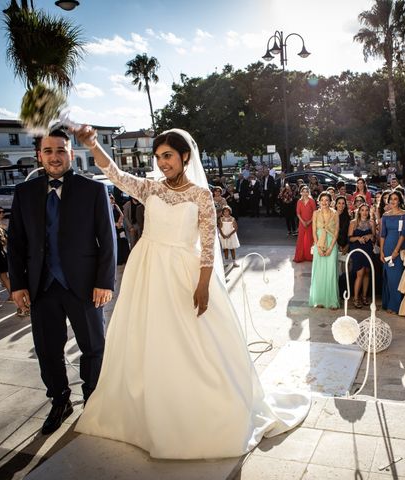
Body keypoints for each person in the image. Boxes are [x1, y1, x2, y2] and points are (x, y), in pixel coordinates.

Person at [74, 125, 309, 459]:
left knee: (192, 339)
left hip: (183, 273)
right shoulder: (150, 189)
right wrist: (93, 143)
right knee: (149, 337)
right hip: (148, 272)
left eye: (168, 155)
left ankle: (200, 405)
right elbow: (114, 173)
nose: (163, 162)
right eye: (158, 157)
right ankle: (149, 406)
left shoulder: (201, 195)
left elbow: (209, 246)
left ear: (185, 156)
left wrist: (203, 284)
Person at [7, 128, 116, 435]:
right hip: (42, 287)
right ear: (39, 155)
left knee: (93, 347)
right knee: (47, 349)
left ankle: (93, 399)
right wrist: (17, 285)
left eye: (61, 150)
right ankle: (60, 400)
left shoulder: (91, 190)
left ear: (71, 153)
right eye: (48, 151)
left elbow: (107, 240)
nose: (55, 156)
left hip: (84, 286)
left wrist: (104, 282)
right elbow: (15, 243)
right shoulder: (24, 193)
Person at [379, 191, 405, 314]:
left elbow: (403, 234)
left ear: (400, 201)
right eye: (391, 199)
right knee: (388, 277)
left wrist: (396, 250)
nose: (393, 201)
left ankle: (396, 305)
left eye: (395, 199)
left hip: (399, 248)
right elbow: (382, 234)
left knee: (396, 277)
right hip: (387, 247)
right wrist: (381, 251)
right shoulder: (385, 215)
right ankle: (388, 303)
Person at [309, 192, 340, 309]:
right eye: (322, 200)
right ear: (319, 201)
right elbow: (314, 231)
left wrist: (331, 247)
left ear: (330, 201)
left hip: (331, 243)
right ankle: (319, 300)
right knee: (319, 272)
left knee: (331, 272)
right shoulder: (315, 213)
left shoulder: (335, 213)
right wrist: (318, 247)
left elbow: (336, 231)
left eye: (327, 200)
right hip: (319, 244)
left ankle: (332, 301)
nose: (324, 202)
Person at [348, 203, 375, 308]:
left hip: (368, 249)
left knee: (367, 272)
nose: (364, 212)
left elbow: (374, 239)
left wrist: (370, 236)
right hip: (357, 249)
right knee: (360, 273)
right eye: (362, 210)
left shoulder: (371, 223)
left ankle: (364, 296)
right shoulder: (353, 222)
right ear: (359, 211)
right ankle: (355, 298)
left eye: (366, 210)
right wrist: (358, 238)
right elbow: (349, 238)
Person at [293, 185, 316, 263]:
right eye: (303, 192)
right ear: (301, 192)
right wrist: (303, 222)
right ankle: (300, 257)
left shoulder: (312, 201)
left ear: (308, 192)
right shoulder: (299, 201)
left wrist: (309, 221)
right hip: (302, 222)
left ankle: (309, 256)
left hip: (311, 222)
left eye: (306, 192)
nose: (305, 193)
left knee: (310, 238)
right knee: (301, 239)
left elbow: (315, 212)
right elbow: (298, 213)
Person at [110, 194, 130, 265]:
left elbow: (122, 215)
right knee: (117, 242)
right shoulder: (106, 208)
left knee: (123, 240)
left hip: (120, 226)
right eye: (110, 198)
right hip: (112, 227)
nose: (111, 199)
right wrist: (115, 224)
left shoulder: (115, 206)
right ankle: (119, 259)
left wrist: (119, 222)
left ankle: (126, 258)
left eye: (112, 198)